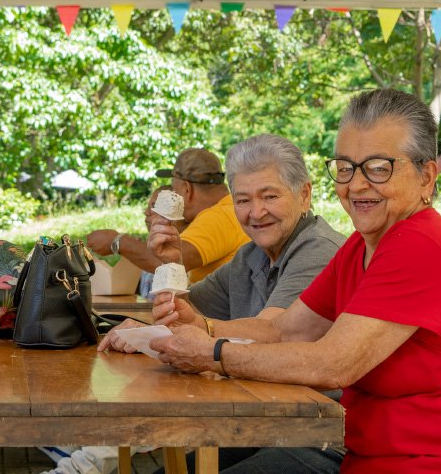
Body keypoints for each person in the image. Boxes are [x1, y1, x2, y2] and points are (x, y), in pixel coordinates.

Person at [149, 89, 441, 473]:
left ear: (426, 177)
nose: (356, 185)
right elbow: (285, 330)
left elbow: (332, 364)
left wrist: (212, 352)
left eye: (379, 168)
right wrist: (203, 326)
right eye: (345, 167)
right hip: (371, 456)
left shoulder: (421, 244)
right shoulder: (360, 246)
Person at [88, 134, 346, 474]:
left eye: (270, 196)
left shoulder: (319, 250)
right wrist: (169, 270)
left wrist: (193, 331)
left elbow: (273, 332)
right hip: (266, 423)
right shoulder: (250, 255)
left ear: (304, 195)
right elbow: (184, 317)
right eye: (243, 200)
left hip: (324, 433)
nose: (256, 212)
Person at [146, 148, 251, 283]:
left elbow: (167, 259)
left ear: (186, 188)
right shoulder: (230, 208)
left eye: (174, 189)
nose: (173, 195)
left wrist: (121, 242)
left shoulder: (217, 217)